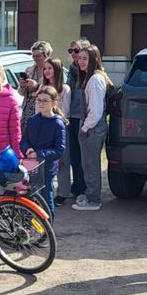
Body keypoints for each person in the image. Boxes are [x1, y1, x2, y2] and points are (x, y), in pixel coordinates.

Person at [72, 44, 112, 212]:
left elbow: (95, 112)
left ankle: (93, 199)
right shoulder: (91, 77)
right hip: (92, 126)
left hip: (93, 128)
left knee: (91, 164)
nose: (81, 62)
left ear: (94, 59)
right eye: (79, 58)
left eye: (85, 59)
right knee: (88, 163)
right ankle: (90, 195)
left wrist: (84, 129)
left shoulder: (95, 80)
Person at [20, 86, 67, 221]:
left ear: (54, 103)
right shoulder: (32, 120)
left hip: (47, 167)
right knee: (28, 197)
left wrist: (39, 154)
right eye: (39, 100)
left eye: (45, 100)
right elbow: (24, 140)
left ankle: (47, 226)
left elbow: (59, 149)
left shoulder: (58, 124)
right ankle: (28, 225)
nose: (41, 103)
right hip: (31, 166)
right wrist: (28, 150)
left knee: (46, 197)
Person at [40, 57, 72, 205]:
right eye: (45, 68)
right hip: (44, 128)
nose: (47, 71)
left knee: (62, 161)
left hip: (59, 127)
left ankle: (63, 192)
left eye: (50, 68)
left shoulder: (64, 89)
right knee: (45, 160)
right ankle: (47, 191)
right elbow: (38, 109)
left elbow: (65, 111)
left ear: (57, 70)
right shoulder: (42, 88)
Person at [65, 38, 91, 200]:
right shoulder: (72, 70)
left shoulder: (89, 72)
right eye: (71, 51)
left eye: (76, 50)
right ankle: (77, 187)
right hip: (71, 117)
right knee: (74, 156)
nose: (73, 54)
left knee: (85, 157)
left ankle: (87, 189)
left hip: (84, 118)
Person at [18, 40, 53, 132]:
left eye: (38, 56)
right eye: (33, 56)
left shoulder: (51, 71)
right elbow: (21, 93)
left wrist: (37, 86)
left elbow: (54, 90)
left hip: (43, 110)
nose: (35, 58)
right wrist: (22, 86)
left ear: (46, 55)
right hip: (27, 110)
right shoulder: (29, 70)